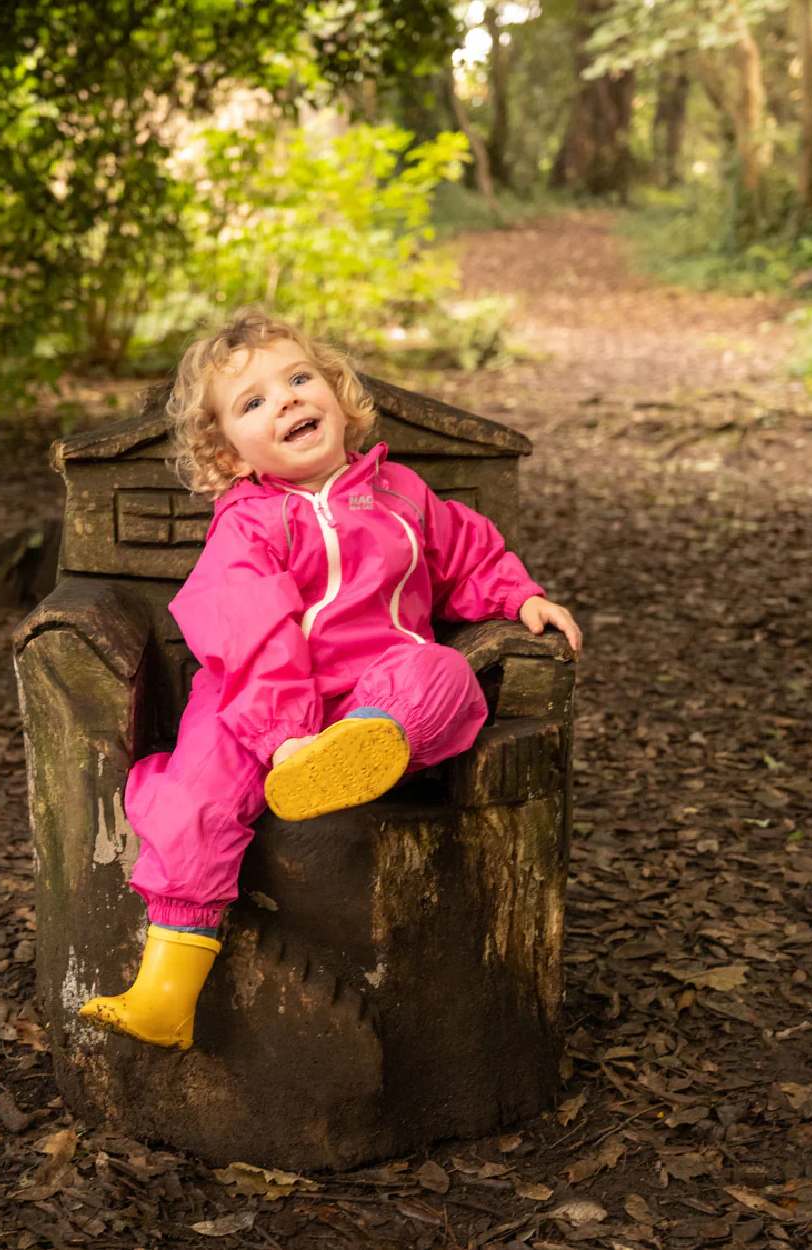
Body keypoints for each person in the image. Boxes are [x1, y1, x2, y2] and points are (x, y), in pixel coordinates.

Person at [80, 309, 582, 1050]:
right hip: (253, 702)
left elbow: (465, 556)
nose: (285, 400)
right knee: (194, 792)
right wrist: (283, 735)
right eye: (254, 401)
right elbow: (248, 631)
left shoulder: (402, 494)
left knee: (443, 672)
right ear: (228, 455)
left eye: (299, 379)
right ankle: (165, 992)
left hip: (375, 686)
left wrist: (518, 596)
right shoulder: (246, 524)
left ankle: (362, 748)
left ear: (339, 398)